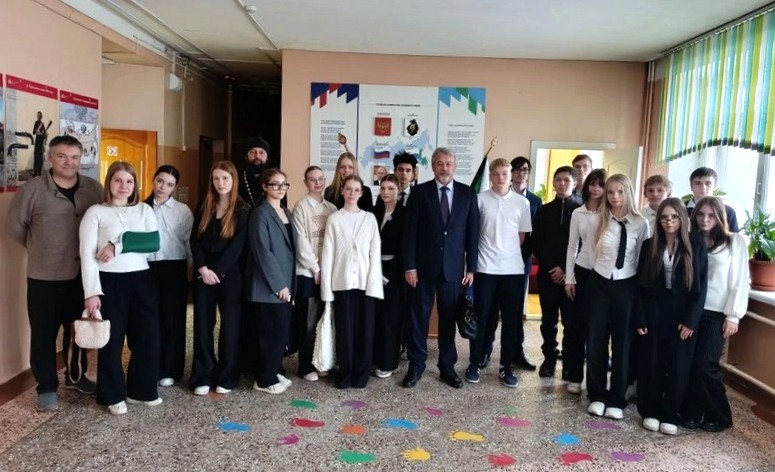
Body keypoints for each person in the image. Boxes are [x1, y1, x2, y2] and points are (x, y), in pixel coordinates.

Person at [6, 135, 102, 412]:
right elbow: (15, 227)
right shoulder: (33, 190)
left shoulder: (93, 189)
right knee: (43, 335)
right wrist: (40, 249)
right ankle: (46, 387)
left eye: (74, 157)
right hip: (44, 278)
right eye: (62, 156)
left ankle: (76, 375)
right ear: (50, 158)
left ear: (80, 159)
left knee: (79, 331)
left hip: (81, 277)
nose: (68, 162)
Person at [79, 161, 161, 415]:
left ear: (135, 185)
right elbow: (87, 255)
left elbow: (153, 242)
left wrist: (117, 245)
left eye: (129, 181)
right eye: (118, 180)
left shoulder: (144, 210)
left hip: (141, 280)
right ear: (109, 183)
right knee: (112, 342)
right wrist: (91, 292)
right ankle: (112, 395)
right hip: (109, 282)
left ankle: (141, 391)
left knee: (147, 337)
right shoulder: (96, 212)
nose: (123, 186)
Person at [402, 147, 479, 389]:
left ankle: (447, 367)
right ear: (433, 166)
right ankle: (416, 365)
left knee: (448, 320)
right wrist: (410, 266)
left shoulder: (468, 194)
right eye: (439, 163)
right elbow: (410, 233)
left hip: (454, 270)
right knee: (419, 319)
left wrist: (471, 268)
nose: (444, 168)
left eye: (448, 164)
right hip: (422, 269)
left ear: (454, 166)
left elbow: (473, 233)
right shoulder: (419, 193)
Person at [635, 198, 708, 435]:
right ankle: (651, 411)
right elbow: (641, 286)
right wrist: (641, 317)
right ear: (658, 220)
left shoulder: (696, 245)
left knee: (678, 365)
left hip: (682, 312)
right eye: (664, 217)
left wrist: (691, 320)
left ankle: (670, 413)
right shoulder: (649, 245)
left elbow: (701, 287)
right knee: (652, 362)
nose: (669, 221)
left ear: (682, 218)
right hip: (655, 311)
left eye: (674, 217)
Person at [681, 196, 749, 432]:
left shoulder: (734, 241)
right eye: (701, 214)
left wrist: (733, 315)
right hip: (692, 311)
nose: (705, 219)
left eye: (711, 215)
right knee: (690, 363)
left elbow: (740, 280)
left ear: (720, 217)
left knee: (706, 366)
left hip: (717, 313)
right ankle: (692, 412)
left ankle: (720, 415)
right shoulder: (691, 240)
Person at [585, 174, 649, 420]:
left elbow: (642, 259)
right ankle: (597, 395)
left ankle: (617, 398)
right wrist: (602, 275)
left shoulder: (641, 223)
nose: (614, 197)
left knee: (622, 344)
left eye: (620, 192)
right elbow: (592, 254)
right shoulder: (597, 220)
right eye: (610, 192)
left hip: (627, 286)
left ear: (628, 192)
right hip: (599, 284)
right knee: (596, 340)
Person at [465, 158, 531, 388]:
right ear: (491, 176)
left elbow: (521, 237)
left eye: (504, 173)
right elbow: (474, 233)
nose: (500, 178)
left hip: (512, 271)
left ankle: (506, 367)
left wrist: (506, 255)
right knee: (482, 318)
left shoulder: (522, 203)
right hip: (485, 269)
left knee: (511, 321)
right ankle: (474, 363)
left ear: (510, 176)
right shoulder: (480, 199)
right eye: (496, 174)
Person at [189, 161, 250, 396]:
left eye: (225, 178)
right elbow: (195, 239)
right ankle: (202, 375)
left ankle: (227, 375)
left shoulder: (243, 210)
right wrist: (203, 268)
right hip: (203, 273)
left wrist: (218, 270)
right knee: (202, 325)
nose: (220, 183)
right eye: (216, 178)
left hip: (230, 274)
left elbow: (238, 246)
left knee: (230, 327)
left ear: (233, 180)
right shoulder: (204, 205)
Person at [320, 175, 383, 389]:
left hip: (366, 284)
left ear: (361, 193)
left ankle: (361, 376)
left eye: (356, 190)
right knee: (344, 332)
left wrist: (374, 285)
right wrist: (327, 290)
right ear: (342, 191)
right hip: (342, 283)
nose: (352, 193)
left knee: (365, 331)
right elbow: (328, 255)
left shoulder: (369, 218)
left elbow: (375, 253)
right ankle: (345, 374)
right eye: (348, 189)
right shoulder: (334, 219)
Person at [247, 168, 297, 394]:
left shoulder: (285, 211)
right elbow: (262, 251)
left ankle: (274, 371)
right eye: (275, 184)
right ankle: (264, 380)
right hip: (269, 286)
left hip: (286, 281)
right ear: (265, 187)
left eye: (283, 184)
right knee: (269, 334)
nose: (280, 188)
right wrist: (279, 285)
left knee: (280, 332)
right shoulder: (261, 213)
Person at [145, 165, 194, 388]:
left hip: (175, 268)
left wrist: (191, 271)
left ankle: (171, 368)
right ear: (153, 180)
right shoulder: (141, 208)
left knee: (173, 319)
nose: (163, 187)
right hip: (147, 268)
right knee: (150, 319)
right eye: (160, 181)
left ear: (175, 187)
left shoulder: (182, 211)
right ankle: (151, 367)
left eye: (169, 184)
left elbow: (188, 243)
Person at [532, 166, 581, 379]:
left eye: (566, 180)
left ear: (574, 183)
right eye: (558, 180)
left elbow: (581, 244)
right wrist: (553, 267)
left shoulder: (580, 210)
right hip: (548, 275)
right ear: (553, 183)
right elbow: (537, 242)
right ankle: (549, 359)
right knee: (548, 321)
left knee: (571, 323)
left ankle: (568, 364)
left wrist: (565, 268)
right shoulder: (544, 210)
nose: (562, 184)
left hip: (572, 277)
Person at [291, 166, 337, 382]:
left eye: (320, 179)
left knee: (323, 319)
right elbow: (300, 242)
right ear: (305, 182)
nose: (317, 183)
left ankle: (321, 360)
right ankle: (305, 365)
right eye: (312, 179)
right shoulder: (300, 207)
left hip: (328, 272)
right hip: (307, 273)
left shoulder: (332, 208)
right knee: (307, 322)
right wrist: (315, 268)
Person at [564, 168, 607, 394]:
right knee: (575, 328)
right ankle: (574, 377)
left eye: (601, 185)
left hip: (603, 275)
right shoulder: (577, 212)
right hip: (581, 272)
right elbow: (572, 246)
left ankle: (596, 383)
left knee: (597, 330)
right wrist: (569, 278)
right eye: (593, 184)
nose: (596, 188)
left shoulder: (610, 213)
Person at [373, 174, 406, 379]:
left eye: (390, 188)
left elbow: (405, 248)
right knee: (375, 317)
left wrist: (387, 275)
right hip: (372, 270)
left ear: (398, 191)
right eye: (383, 188)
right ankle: (373, 358)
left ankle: (388, 362)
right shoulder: (373, 212)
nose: (386, 192)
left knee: (390, 319)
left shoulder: (405, 214)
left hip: (394, 274)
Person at [685, 167, 739, 232]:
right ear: (691, 186)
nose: (703, 187)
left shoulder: (728, 211)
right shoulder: (680, 209)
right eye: (698, 183)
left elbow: (733, 237)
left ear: (714, 186)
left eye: (708, 183)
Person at [238, 136, 270, 209]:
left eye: (261, 152)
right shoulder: (237, 177)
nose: (257, 156)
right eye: (252, 152)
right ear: (246, 156)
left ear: (267, 158)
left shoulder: (274, 179)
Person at [32, 111, 48, 177]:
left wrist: (44, 133)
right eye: (38, 115)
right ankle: (35, 171)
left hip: (41, 141)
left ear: (41, 116)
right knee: (36, 156)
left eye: (39, 115)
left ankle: (39, 171)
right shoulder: (36, 123)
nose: (38, 116)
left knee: (40, 156)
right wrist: (36, 131)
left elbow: (44, 135)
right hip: (37, 140)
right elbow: (33, 132)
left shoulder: (42, 124)